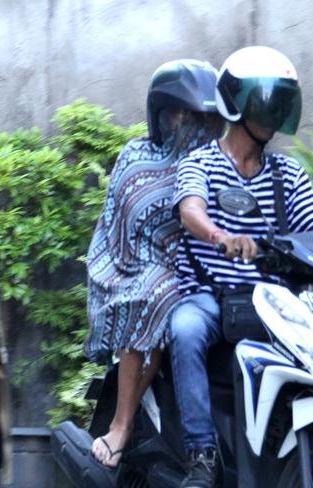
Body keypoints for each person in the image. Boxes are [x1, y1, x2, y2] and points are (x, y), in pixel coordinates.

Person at [169, 46, 313, 488]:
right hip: (211, 294)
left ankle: (295, 440)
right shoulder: (201, 164)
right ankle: (202, 453)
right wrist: (221, 237)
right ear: (235, 102)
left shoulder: (287, 174)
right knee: (186, 331)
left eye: (278, 102)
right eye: (264, 101)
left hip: (274, 302)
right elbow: (190, 210)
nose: (272, 112)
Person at [84, 59, 223, 468]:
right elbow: (122, 224)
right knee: (153, 295)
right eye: (185, 116)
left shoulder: (214, 162)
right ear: (162, 114)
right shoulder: (136, 155)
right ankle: (122, 424)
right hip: (129, 263)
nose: (195, 127)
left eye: (205, 119)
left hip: (199, 268)